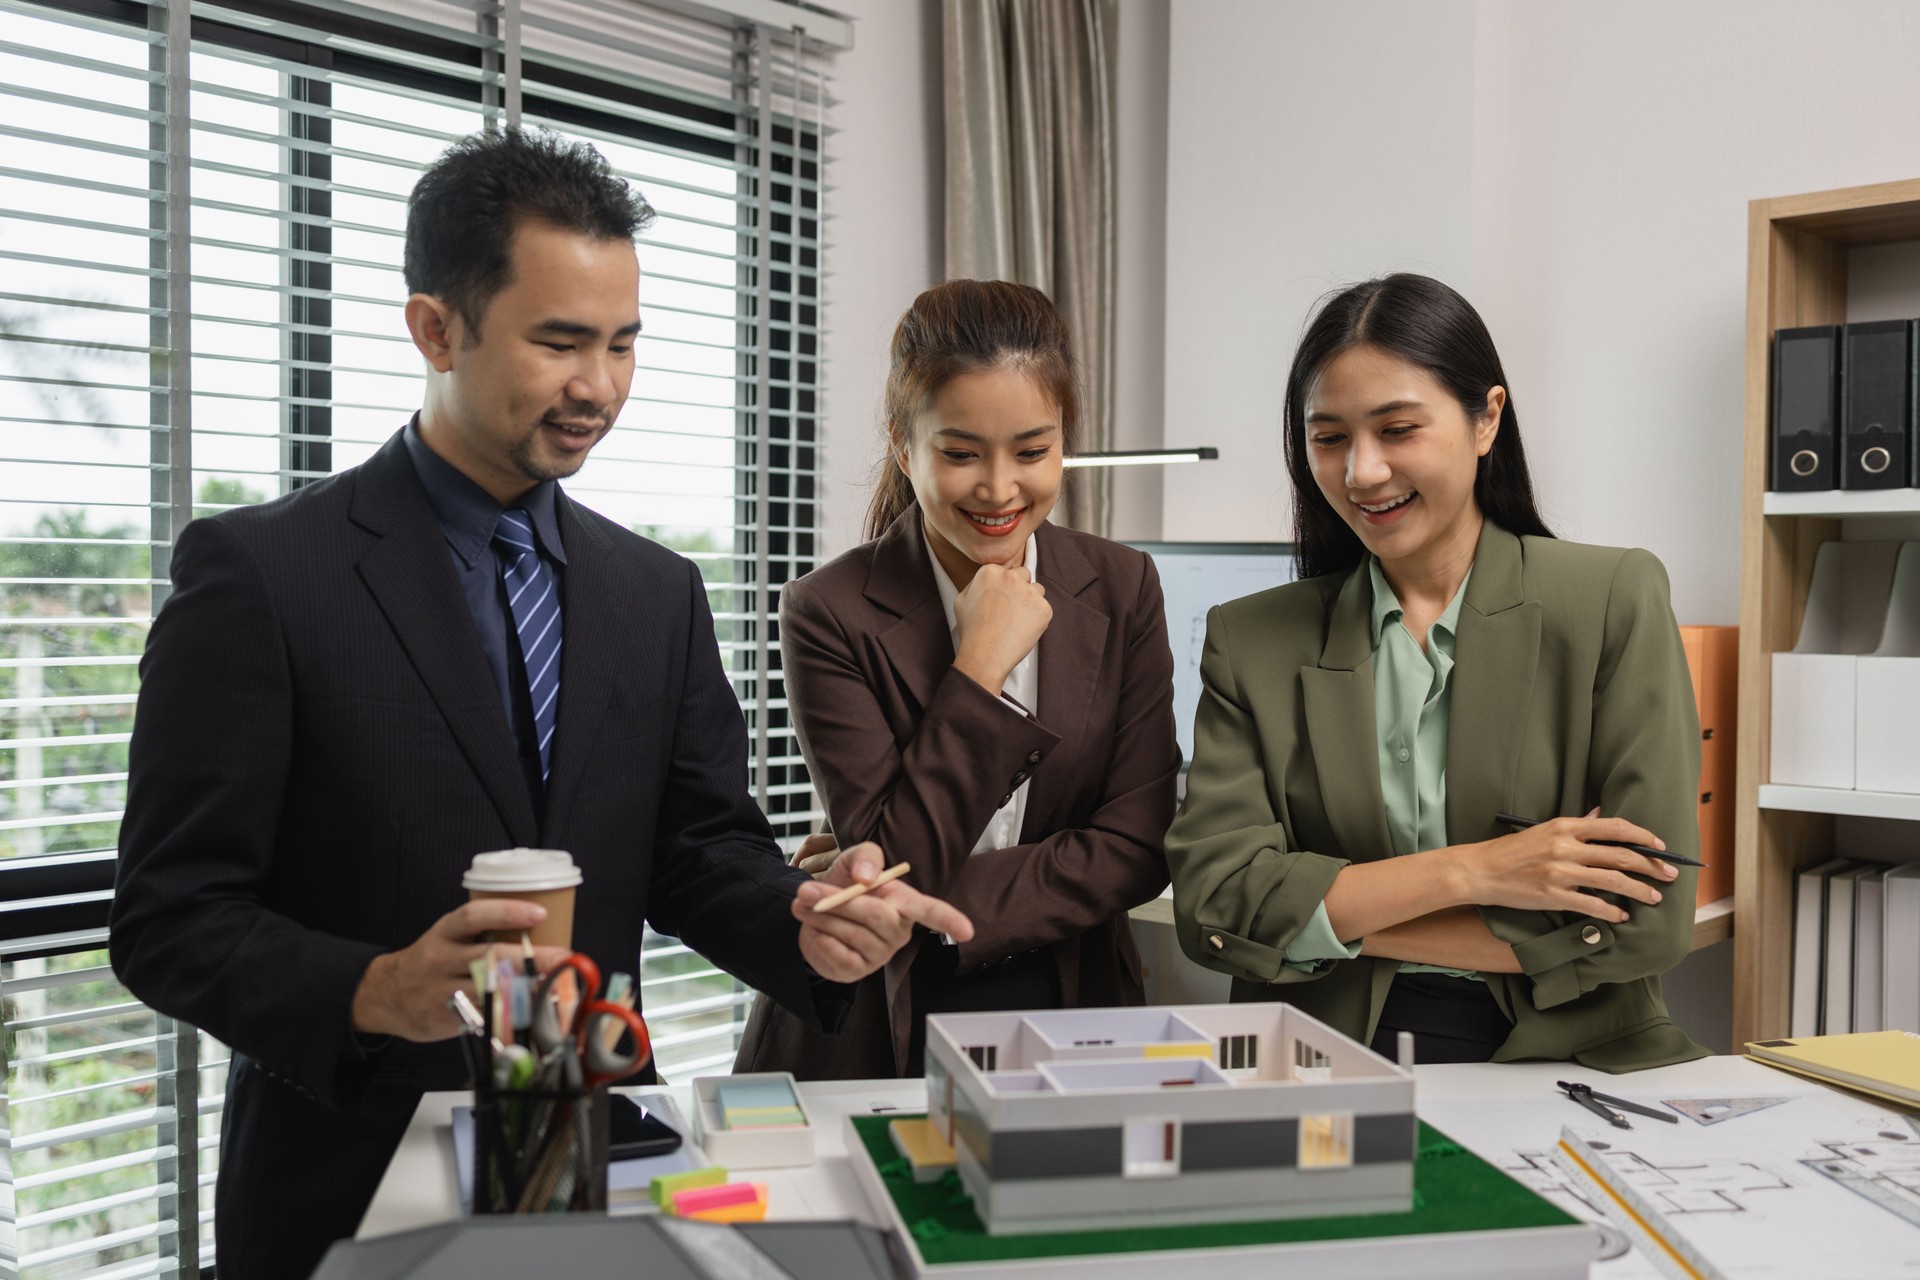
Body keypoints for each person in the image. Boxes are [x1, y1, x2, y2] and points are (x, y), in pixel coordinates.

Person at [108, 128, 970, 1277]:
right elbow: (169, 916)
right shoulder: (262, 576)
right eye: (559, 341)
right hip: (345, 1186)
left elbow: (700, 847)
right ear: (435, 328)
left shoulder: (653, 590)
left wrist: (805, 917)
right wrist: (374, 987)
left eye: (622, 343)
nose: (600, 386)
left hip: (592, 1161)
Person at [1166, 273, 1706, 1071]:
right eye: (1329, 438)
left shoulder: (1611, 599)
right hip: (1323, 1050)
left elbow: (1643, 923)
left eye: (1397, 429)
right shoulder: (1252, 640)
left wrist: (1330, 913)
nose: (1362, 471)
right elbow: (1214, 907)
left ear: (1486, 418)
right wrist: (1477, 872)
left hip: (1570, 1057)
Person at [733, 280, 1179, 1080]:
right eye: (961, 453)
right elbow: (891, 857)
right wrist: (979, 669)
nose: (1000, 489)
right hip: (884, 1016)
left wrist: (917, 891)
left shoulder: (1124, 585)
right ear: (906, 447)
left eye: (1033, 452)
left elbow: (1139, 843)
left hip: (1073, 997)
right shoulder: (827, 609)